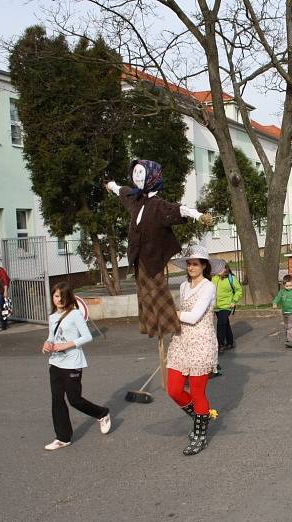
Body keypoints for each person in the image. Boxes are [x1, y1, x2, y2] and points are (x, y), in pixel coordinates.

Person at [106, 160, 212, 340]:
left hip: (153, 258)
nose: (137, 177)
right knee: (144, 294)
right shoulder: (135, 200)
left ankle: (168, 324)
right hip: (138, 257)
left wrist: (199, 216)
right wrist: (111, 185)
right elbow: (122, 191)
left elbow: (179, 210)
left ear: (151, 176)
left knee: (157, 289)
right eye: (135, 173)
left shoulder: (158, 205)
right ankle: (152, 326)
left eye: (141, 173)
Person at [166, 245, 222, 455]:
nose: (191, 267)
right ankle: (202, 417)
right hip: (181, 340)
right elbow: (182, 316)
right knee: (173, 389)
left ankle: (200, 434)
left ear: (204, 266)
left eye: (195, 263)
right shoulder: (183, 286)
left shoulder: (208, 287)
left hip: (201, 342)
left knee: (198, 392)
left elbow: (194, 316)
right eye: (189, 263)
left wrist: (171, 312)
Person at [41, 282, 110, 451]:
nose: (59, 299)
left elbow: (87, 337)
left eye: (63, 296)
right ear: (52, 297)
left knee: (74, 399)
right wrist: (47, 343)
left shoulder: (75, 314)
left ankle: (102, 413)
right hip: (55, 362)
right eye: (56, 296)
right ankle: (63, 438)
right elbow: (52, 336)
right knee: (57, 400)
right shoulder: (52, 317)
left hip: (73, 363)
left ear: (69, 297)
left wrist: (66, 345)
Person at [212, 264, 242, 354]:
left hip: (227, 306)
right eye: (218, 267)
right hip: (216, 306)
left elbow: (239, 290)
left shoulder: (231, 278)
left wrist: (234, 300)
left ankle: (220, 344)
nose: (220, 269)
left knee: (221, 323)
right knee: (225, 323)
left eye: (222, 267)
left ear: (226, 268)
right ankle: (230, 342)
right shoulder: (213, 278)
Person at [272, 274, 292, 348]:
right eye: (287, 286)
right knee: (287, 326)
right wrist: (275, 303)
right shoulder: (282, 292)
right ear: (283, 285)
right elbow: (278, 298)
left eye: (290, 286)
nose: (288, 288)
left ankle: (290, 341)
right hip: (285, 312)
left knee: (291, 326)